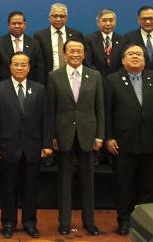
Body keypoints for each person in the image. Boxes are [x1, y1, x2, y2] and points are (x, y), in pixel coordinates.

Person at [104, 43, 153, 236]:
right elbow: (107, 111)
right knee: (124, 185)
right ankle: (124, 220)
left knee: (149, 186)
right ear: (123, 59)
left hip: (151, 141)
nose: (135, 57)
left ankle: (146, 221)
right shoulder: (111, 80)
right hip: (123, 142)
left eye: (139, 54)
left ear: (144, 59)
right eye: (131, 54)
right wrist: (109, 137)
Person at [0, 52, 53, 239]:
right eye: (16, 64)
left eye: (23, 64)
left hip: (33, 146)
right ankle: (8, 222)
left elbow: (46, 118)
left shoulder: (39, 89)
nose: (19, 68)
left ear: (29, 67)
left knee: (31, 188)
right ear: (10, 66)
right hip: (8, 146)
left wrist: (47, 144)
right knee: (8, 188)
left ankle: (30, 222)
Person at [48, 37, 104, 236]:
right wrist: (52, 136)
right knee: (64, 181)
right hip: (63, 134)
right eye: (71, 51)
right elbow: (51, 109)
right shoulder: (54, 76)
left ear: (84, 54)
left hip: (88, 134)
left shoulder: (95, 75)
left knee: (88, 181)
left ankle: (89, 222)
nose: (75, 54)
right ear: (64, 54)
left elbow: (100, 108)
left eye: (79, 51)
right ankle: (64, 222)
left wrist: (100, 136)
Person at [0, 11, 45, 84]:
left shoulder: (34, 43)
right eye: (13, 23)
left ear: (25, 25)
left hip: (29, 86)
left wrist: (38, 87)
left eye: (19, 23)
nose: (17, 26)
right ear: (8, 25)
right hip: (4, 86)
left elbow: (39, 69)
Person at [33, 3, 84, 74]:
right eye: (55, 16)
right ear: (50, 17)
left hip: (72, 76)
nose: (58, 19)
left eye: (62, 16)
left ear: (66, 18)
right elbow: (39, 62)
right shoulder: (40, 36)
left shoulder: (76, 35)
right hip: (49, 76)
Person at [123, 6, 153, 75]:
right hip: (137, 78)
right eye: (144, 19)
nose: (148, 22)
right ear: (138, 20)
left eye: (151, 18)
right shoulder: (129, 37)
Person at [85, 8, 125, 78]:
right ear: (98, 23)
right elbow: (88, 63)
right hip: (96, 78)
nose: (108, 24)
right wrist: (98, 76)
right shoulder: (89, 39)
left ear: (115, 22)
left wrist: (115, 77)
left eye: (111, 20)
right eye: (104, 20)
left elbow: (124, 62)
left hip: (118, 79)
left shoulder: (122, 40)